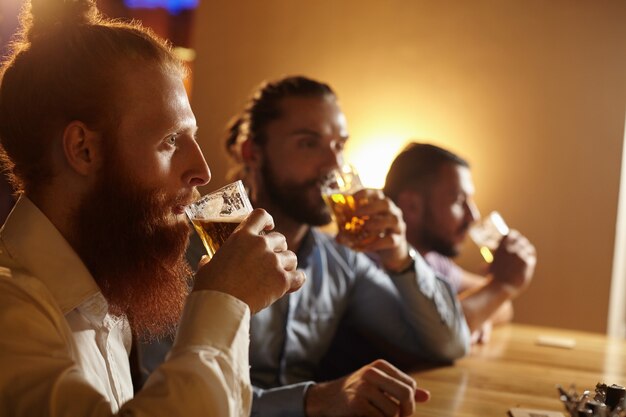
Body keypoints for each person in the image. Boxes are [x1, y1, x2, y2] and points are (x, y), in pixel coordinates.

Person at [0, 1, 305, 416]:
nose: (202, 170)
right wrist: (223, 301)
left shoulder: (106, 295)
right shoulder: (11, 308)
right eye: (171, 141)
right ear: (83, 149)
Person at [226, 76, 471, 417]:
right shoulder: (203, 252)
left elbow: (449, 344)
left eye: (339, 145)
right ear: (252, 152)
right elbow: (179, 396)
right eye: (309, 143)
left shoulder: (340, 259)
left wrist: (400, 258)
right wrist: (315, 400)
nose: (333, 164)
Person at [384, 143, 536, 343]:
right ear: (412, 205)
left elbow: (504, 307)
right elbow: (433, 338)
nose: (473, 216)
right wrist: (501, 286)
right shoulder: (377, 263)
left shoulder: (433, 261)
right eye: (458, 200)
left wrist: (479, 315)